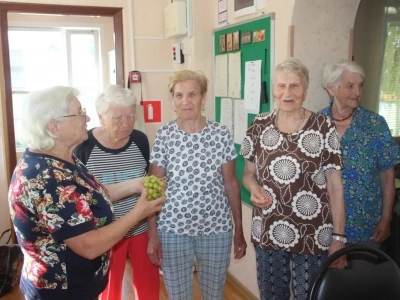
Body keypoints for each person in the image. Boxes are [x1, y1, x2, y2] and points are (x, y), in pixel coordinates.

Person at [8, 86, 165, 300]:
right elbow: (89, 246)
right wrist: (139, 212)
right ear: (54, 127)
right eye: (79, 113)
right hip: (61, 290)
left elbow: (90, 196)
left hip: (77, 286)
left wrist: (136, 184)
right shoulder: (49, 178)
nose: (87, 117)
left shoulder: (62, 159)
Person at [240, 58, 346, 300]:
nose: (287, 93)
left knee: (309, 295)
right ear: (274, 90)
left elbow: (335, 187)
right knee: (271, 295)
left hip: (313, 231)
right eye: (281, 86)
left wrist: (338, 238)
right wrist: (254, 187)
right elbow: (247, 174)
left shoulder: (323, 127)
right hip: (268, 229)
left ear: (305, 90)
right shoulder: (258, 125)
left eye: (294, 86)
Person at [147, 70, 247, 300]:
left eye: (192, 94)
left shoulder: (220, 133)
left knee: (214, 294)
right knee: (178, 295)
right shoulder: (165, 135)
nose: (185, 101)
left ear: (203, 97)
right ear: (173, 100)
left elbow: (231, 184)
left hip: (216, 229)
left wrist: (239, 229)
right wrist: (153, 234)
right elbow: (153, 188)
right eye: (179, 95)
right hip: (173, 229)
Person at [73, 84, 159, 300]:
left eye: (130, 116)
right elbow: (80, 198)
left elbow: (147, 190)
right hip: (105, 232)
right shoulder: (84, 147)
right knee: (108, 291)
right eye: (118, 117)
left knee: (149, 289)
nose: (126, 124)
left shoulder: (140, 140)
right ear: (101, 117)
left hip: (139, 229)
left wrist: (153, 232)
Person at [319, 59, 400, 268]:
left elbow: (388, 176)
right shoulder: (316, 124)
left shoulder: (375, 124)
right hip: (322, 228)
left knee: (363, 288)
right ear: (331, 88)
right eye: (350, 85)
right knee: (326, 289)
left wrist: (386, 219)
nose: (358, 91)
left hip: (366, 227)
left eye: (361, 85)